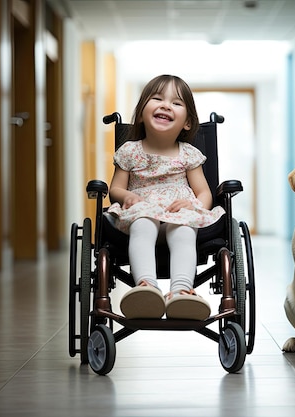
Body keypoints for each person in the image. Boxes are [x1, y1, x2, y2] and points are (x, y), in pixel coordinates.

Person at [107, 74, 225, 320]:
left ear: (188, 123)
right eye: (158, 98)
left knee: (183, 229)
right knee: (143, 223)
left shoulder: (189, 154)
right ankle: (146, 287)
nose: (166, 105)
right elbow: (114, 189)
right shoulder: (130, 151)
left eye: (176, 103)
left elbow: (204, 192)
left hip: (177, 213)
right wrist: (128, 196)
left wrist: (193, 205)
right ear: (141, 113)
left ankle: (181, 290)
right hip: (142, 211)